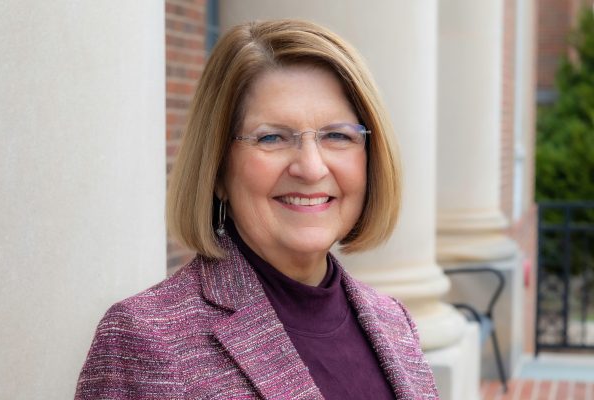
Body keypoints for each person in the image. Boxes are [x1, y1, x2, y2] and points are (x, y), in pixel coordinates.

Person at [75, 19, 438, 400]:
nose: (311, 168)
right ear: (217, 167)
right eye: (272, 137)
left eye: (337, 135)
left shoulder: (394, 322)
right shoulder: (146, 338)